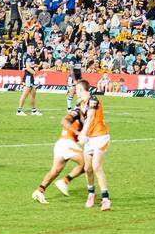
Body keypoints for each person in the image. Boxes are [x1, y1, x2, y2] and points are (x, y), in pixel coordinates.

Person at [32, 108, 85, 204]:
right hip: (67, 142)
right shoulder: (77, 111)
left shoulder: (86, 114)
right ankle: (65, 181)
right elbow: (64, 121)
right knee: (86, 163)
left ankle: (39, 191)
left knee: (55, 171)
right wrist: (77, 132)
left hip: (62, 144)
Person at [76, 79, 111, 211]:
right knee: (87, 168)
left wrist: (83, 133)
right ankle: (91, 193)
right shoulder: (82, 103)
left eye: (77, 89)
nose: (75, 92)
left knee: (97, 167)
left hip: (100, 136)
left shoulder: (93, 100)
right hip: (90, 139)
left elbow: (90, 117)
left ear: (81, 89)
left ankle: (106, 198)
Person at [16, 45, 42, 116]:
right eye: (31, 48)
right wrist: (35, 73)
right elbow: (27, 68)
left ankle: (33, 111)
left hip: (30, 77)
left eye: (33, 48)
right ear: (27, 48)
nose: (33, 49)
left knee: (33, 94)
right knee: (25, 94)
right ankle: (19, 110)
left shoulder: (30, 56)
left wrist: (35, 68)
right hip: (28, 77)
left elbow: (31, 66)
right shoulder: (27, 56)